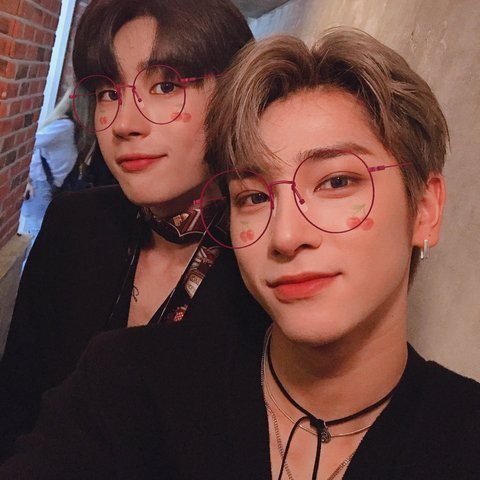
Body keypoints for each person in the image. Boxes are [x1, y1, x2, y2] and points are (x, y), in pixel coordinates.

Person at [2, 29, 480, 479]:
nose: (286, 235)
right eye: (253, 197)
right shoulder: (126, 386)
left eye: (336, 181)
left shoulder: (461, 437)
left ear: (425, 210)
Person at [0, 0, 253, 461]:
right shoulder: (73, 225)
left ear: (236, 93)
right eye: (108, 93)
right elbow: (16, 404)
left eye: (166, 85)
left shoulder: (269, 260)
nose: (124, 124)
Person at [19, 88, 78, 245]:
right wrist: (26, 179)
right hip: (40, 186)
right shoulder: (65, 126)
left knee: (38, 235)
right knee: (38, 236)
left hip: (46, 187)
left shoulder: (69, 128)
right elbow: (30, 144)